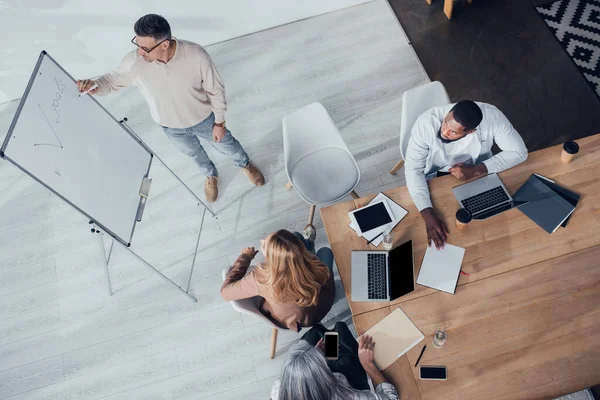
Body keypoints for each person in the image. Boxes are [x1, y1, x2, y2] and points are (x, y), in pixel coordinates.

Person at [76, 14, 264, 203]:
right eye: (137, 44)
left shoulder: (196, 55)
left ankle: (245, 164)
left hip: (203, 119)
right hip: (170, 127)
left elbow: (216, 90)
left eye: (145, 48)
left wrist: (220, 122)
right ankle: (210, 175)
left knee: (228, 145)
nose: (140, 52)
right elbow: (110, 81)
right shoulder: (135, 62)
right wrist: (94, 85)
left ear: (164, 44)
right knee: (194, 154)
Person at [405, 100, 528, 249]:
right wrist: (427, 213)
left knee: (493, 226)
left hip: (478, 174)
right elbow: (413, 170)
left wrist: (477, 170)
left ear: (470, 131)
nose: (444, 132)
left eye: (453, 132)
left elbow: (520, 152)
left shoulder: (493, 117)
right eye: (445, 123)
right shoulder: (426, 124)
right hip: (437, 175)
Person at [220, 227, 335, 332]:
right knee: (324, 250)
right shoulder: (314, 264)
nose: (262, 241)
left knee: (300, 237)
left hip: (296, 320)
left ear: (272, 258)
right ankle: (308, 244)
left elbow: (225, 293)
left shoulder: (262, 278)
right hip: (322, 304)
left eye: (264, 245)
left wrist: (244, 258)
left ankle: (308, 243)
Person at [271, 325, 400, 400]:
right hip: (345, 383)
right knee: (340, 330)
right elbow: (392, 398)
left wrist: (315, 356)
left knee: (317, 333)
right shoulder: (345, 396)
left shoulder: (278, 388)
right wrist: (368, 365)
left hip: (326, 381)